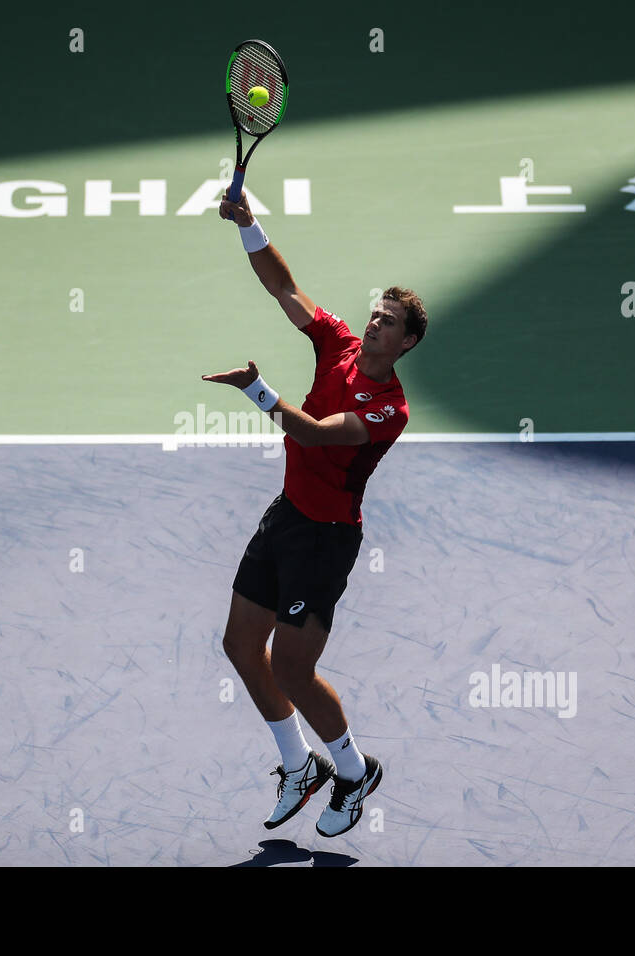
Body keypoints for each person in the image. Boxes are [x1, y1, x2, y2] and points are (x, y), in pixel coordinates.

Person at [201, 189, 428, 837]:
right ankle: (300, 765)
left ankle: (354, 770)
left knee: (292, 670)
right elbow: (284, 287)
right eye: (375, 314)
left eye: (389, 322)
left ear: (407, 342)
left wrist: (258, 391)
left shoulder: (389, 408)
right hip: (286, 516)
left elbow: (317, 434)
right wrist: (249, 224)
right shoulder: (338, 344)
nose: (375, 323)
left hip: (325, 541)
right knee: (241, 646)